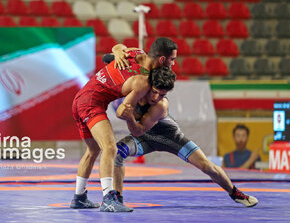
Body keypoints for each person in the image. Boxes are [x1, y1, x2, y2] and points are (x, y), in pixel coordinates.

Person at [102, 51, 258, 209]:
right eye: (154, 92)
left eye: (162, 95)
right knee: (117, 152)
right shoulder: (139, 85)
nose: (156, 98)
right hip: (145, 139)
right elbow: (127, 57)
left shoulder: (160, 106)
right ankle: (118, 199)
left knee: (206, 166)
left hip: (170, 137)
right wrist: (117, 54)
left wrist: (129, 116)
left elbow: (138, 130)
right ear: (149, 85)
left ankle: (235, 193)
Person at [70, 38, 178, 212]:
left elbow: (112, 53)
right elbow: (122, 110)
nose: (173, 63)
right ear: (162, 60)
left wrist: (117, 50)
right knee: (110, 148)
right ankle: (108, 199)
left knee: (93, 150)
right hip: (91, 103)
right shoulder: (143, 82)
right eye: (172, 59)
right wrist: (135, 117)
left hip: (81, 97)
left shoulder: (135, 53)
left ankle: (79, 197)